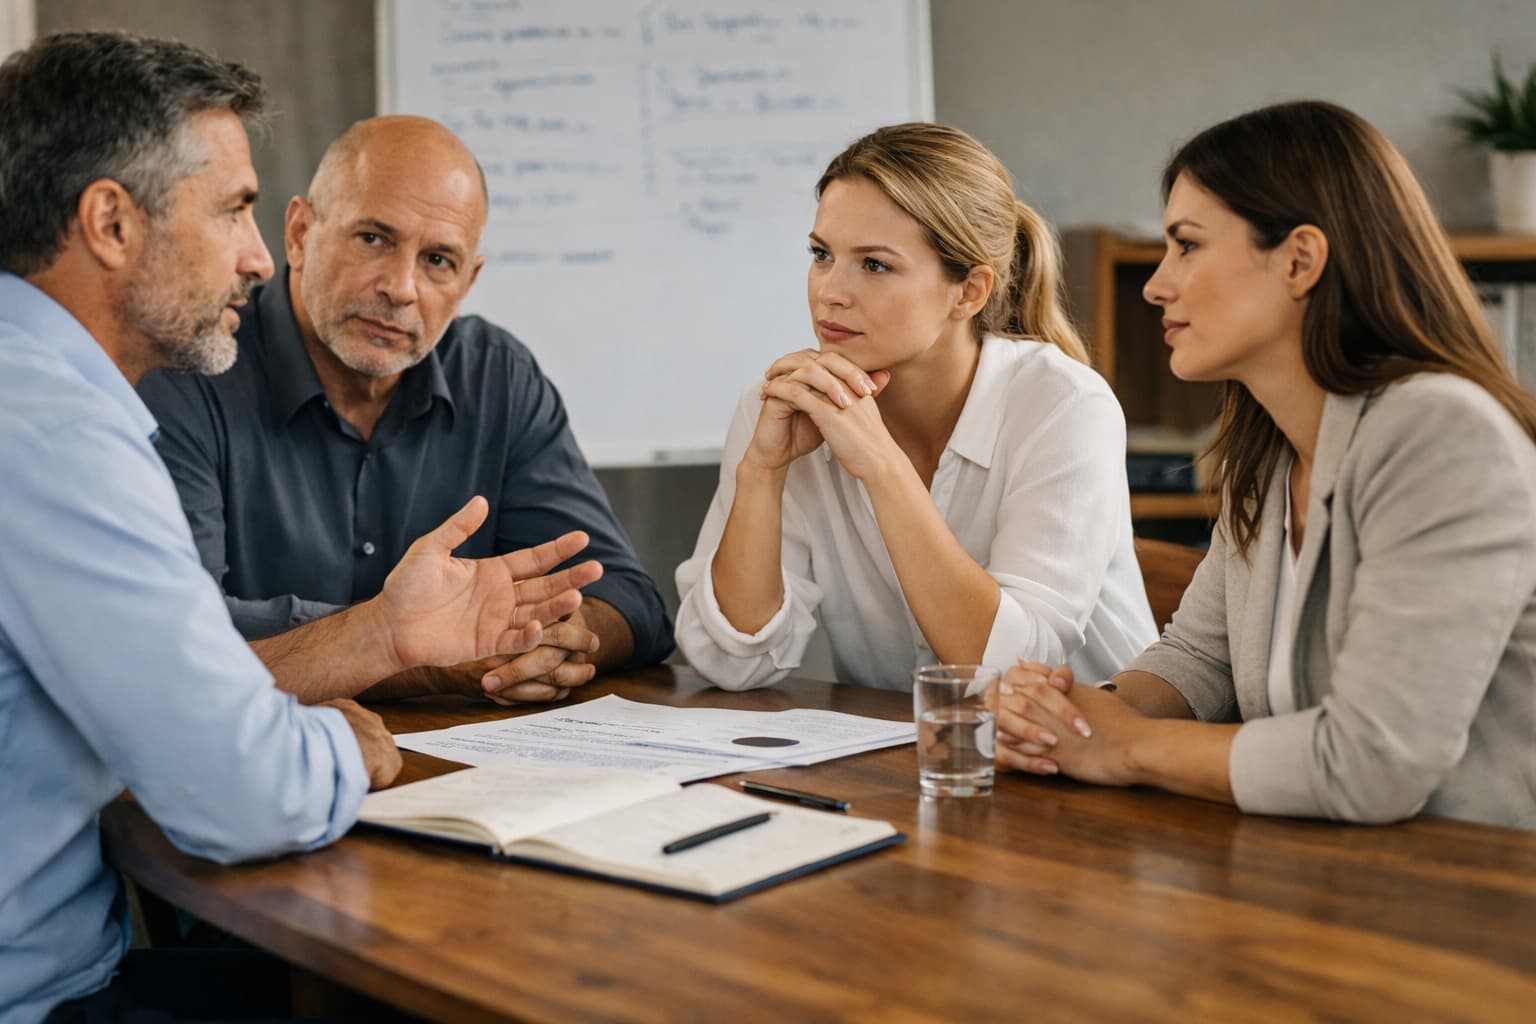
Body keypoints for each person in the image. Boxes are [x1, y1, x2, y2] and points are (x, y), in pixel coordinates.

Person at [0, 32, 600, 1022]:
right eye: (234, 208)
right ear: (110, 221)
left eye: (439, 259)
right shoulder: (55, 431)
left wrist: (377, 642)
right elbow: (240, 789)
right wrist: (333, 745)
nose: (251, 256)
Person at [998, 100, 1536, 829]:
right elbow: (1198, 659)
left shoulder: (1441, 433)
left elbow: (1372, 763)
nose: (1158, 284)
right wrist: (1067, 720)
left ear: (1299, 260)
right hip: (1314, 874)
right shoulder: (1273, 449)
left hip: (1470, 899)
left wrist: (1127, 749)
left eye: (1187, 246)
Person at [137, 115, 673, 706]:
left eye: (438, 260)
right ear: (298, 234)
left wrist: (555, 639)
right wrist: (420, 652)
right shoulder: (190, 371)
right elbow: (168, 645)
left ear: (469, 281)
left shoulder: (497, 376)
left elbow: (629, 599)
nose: (401, 287)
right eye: (374, 239)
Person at [675, 123, 1156, 691]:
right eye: (822, 254)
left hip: (1094, 762)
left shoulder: (1065, 406)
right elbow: (733, 663)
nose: (830, 290)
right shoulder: (785, 401)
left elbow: (1016, 672)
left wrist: (881, 467)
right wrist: (761, 473)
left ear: (969, 292)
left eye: (874, 264)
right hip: (915, 763)